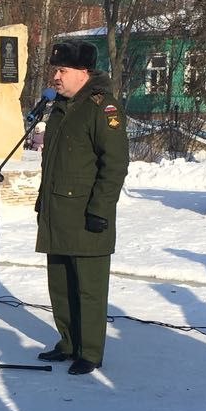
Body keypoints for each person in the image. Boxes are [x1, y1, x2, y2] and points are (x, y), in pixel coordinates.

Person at [34, 40, 128, 376]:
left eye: (62, 71)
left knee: (88, 288)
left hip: (88, 216)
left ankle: (90, 351)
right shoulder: (60, 107)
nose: (55, 77)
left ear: (83, 73)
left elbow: (115, 164)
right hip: (57, 212)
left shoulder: (102, 108)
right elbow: (55, 162)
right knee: (60, 284)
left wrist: (100, 210)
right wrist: (43, 200)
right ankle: (68, 342)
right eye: (54, 70)